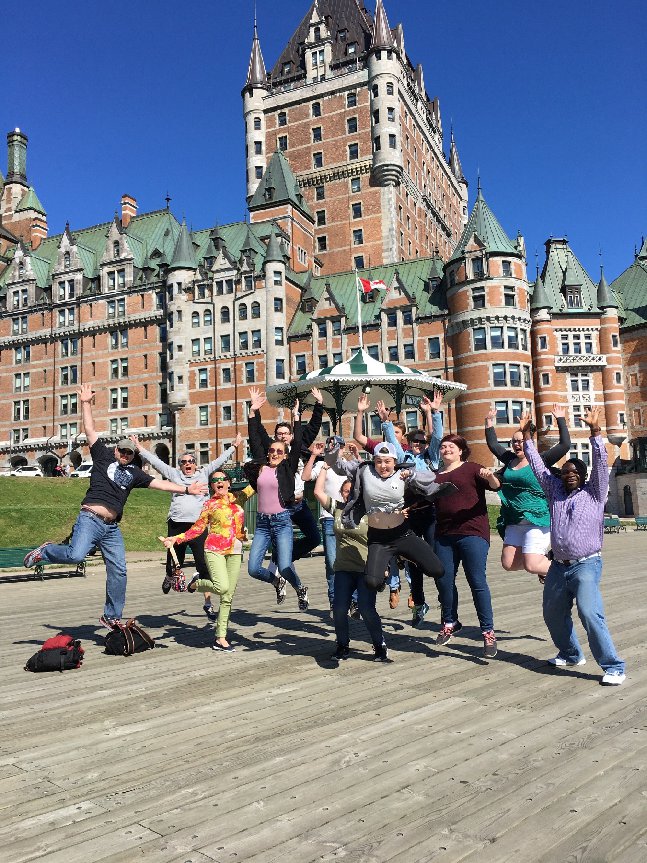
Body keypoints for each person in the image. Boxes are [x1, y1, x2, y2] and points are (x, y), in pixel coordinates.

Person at [23, 382, 207, 628]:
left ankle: (111, 616)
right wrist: (86, 403)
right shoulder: (102, 455)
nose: (125, 455)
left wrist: (187, 489)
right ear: (116, 449)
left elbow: (161, 485)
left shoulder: (135, 472)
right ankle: (45, 551)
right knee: (76, 554)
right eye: (122, 450)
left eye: (129, 453)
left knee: (119, 570)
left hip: (111, 528)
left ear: (134, 456)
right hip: (90, 518)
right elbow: (89, 429)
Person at [521, 407, 626, 685]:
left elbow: (601, 463)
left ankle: (614, 666)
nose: (569, 474)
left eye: (575, 471)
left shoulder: (595, 492)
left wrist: (595, 432)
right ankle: (570, 653)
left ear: (583, 475)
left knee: (590, 613)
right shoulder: (555, 493)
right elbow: (539, 469)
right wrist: (527, 438)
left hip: (586, 564)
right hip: (558, 566)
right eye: (565, 471)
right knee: (552, 613)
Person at [130, 432, 243, 619]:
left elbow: (219, 461)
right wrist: (140, 448)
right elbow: (157, 463)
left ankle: (207, 603)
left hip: (197, 528)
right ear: (180, 465)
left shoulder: (204, 474)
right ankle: (168, 577)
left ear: (195, 464)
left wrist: (234, 446)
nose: (187, 464)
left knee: (204, 567)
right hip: (176, 525)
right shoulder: (174, 474)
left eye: (190, 461)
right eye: (184, 462)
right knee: (174, 564)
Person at [327, 440, 455, 593]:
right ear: (373, 461)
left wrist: (412, 475)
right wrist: (333, 450)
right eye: (378, 461)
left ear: (394, 462)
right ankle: (390, 562)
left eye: (387, 461)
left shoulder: (403, 474)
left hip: (403, 534)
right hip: (379, 539)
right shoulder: (364, 470)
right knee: (372, 583)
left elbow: (430, 478)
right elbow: (338, 466)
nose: (383, 466)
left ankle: (403, 555)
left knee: (437, 570)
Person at [162, 469, 254, 652]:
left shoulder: (239, 497)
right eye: (215, 480)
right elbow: (197, 529)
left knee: (227, 597)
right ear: (211, 486)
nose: (219, 482)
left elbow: (258, 482)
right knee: (221, 587)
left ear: (229, 482)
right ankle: (197, 584)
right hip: (214, 549)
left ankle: (220, 638)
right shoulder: (209, 504)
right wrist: (176, 538)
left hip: (235, 550)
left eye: (223, 479)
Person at [248, 386, 324, 590]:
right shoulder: (272, 453)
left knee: (314, 537)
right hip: (279, 506)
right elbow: (258, 435)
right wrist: (253, 411)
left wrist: (317, 406)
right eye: (278, 434)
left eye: (285, 433)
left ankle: (285, 559)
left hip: (298, 503)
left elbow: (313, 427)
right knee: (274, 538)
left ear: (291, 435)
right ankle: (281, 565)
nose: (282, 436)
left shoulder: (298, 448)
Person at [485, 405, 570, 583]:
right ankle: (545, 562)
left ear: (529, 441)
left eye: (521, 440)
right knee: (508, 564)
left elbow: (564, 445)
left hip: (538, 519)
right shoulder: (509, 460)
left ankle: (568, 572)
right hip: (514, 519)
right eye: (514, 441)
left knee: (532, 565)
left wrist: (560, 419)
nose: (517, 444)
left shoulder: (542, 460)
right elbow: (493, 445)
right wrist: (489, 422)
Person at [379, 392, 444, 623]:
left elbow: (437, 438)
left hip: (430, 513)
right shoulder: (403, 456)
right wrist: (386, 422)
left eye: (421, 442)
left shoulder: (431, 459)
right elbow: (394, 443)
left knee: (436, 557)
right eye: (414, 441)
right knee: (412, 559)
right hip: (409, 514)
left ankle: (445, 600)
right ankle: (418, 601)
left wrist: (434, 413)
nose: (417, 445)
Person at [433, 434, 500, 658]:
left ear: (461, 450)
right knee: (443, 580)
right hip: (444, 534)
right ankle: (450, 622)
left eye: (451, 446)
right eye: (443, 447)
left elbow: (495, 485)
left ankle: (488, 632)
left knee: (476, 580)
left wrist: (490, 477)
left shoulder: (472, 468)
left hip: (472, 533)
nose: (446, 449)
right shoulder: (435, 476)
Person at [313, 464, 388, 662]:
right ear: (341, 493)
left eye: (352, 491)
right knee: (338, 609)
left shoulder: (370, 513)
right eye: (345, 492)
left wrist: (385, 567)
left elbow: (384, 541)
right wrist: (323, 467)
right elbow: (317, 491)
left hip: (366, 568)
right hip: (343, 569)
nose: (348, 495)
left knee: (366, 609)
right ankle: (342, 645)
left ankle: (379, 644)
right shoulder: (337, 509)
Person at [301, 437, 347, 613]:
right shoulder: (322, 465)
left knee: (353, 559)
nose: (334, 450)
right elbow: (305, 477)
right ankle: (334, 601)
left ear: (342, 449)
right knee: (332, 562)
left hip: (347, 517)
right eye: (331, 447)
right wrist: (314, 456)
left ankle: (354, 600)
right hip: (328, 517)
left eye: (337, 448)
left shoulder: (347, 465)